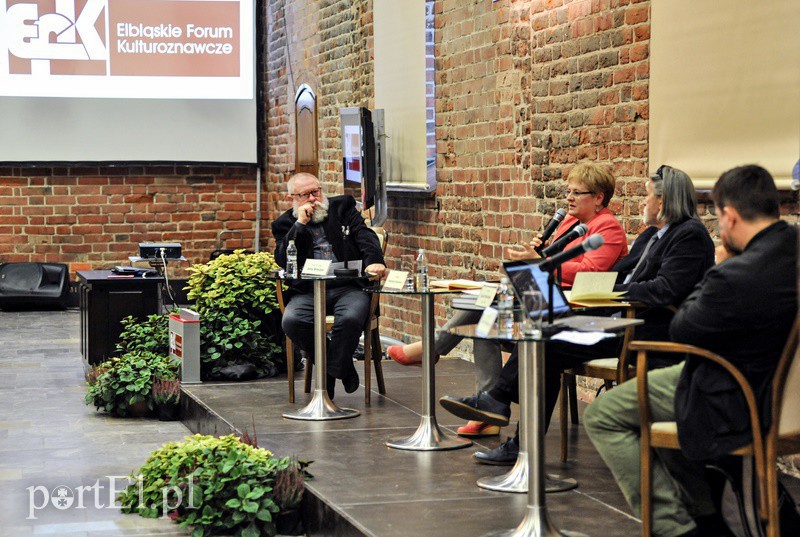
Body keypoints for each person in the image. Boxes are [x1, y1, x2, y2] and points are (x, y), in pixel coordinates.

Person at [439, 165, 715, 465]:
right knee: (541, 340)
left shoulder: (690, 235)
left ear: (663, 202)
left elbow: (665, 289)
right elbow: (616, 275)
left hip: (643, 329)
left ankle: (500, 404)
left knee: (544, 341)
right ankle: (517, 438)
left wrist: (612, 293)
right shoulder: (652, 236)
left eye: (647, 196)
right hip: (614, 320)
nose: (642, 203)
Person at [584, 165, 798, 537]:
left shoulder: (736, 273)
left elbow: (683, 328)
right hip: (783, 396)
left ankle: (675, 528)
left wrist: (720, 265)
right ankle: (707, 515)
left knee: (604, 414)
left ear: (729, 216)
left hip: (735, 391)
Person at [388, 162, 628, 437]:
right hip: (546, 295)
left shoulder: (607, 227)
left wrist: (542, 261)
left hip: (571, 306)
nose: (569, 198)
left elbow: (590, 273)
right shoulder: (572, 223)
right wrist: (529, 259)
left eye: (577, 193)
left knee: (489, 306)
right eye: (568, 192)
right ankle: (485, 403)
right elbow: (547, 262)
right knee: (489, 311)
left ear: (598, 197)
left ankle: (439, 352)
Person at [272, 173, 387, 399]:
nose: (314, 199)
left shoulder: (341, 207)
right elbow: (283, 260)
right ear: (292, 198)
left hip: (348, 287)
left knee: (352, 318)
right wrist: (300, 225)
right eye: (306, 195)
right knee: (292, 321)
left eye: (317, 191)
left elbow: (365, 235)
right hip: (308, 291)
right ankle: (342, 368)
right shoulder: (284, 224)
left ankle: (328, 373)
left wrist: (375, 260)